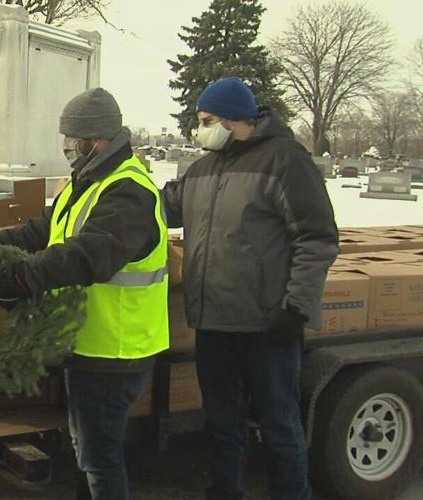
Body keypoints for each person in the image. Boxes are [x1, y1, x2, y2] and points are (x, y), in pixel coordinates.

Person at [0, 88, 170, 499]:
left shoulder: (129, 191)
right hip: (86, 344)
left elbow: (87, 255)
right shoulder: (84, 182)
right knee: (87, 451)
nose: (67, 146)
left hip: (116, 349)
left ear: (96, 139)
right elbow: (40, 231)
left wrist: (21, 279)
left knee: (100, 460)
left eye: (73, 139)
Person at [161, 77, 338, 500]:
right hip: (214, 322)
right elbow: (160, 207)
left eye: (205, 120)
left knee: (278, 424)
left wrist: (296, 306)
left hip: (267, 325)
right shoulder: (203, 168)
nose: (199, 129)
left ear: (230, 118)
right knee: (222, 423)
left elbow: (317, 237)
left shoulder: (283, 161)